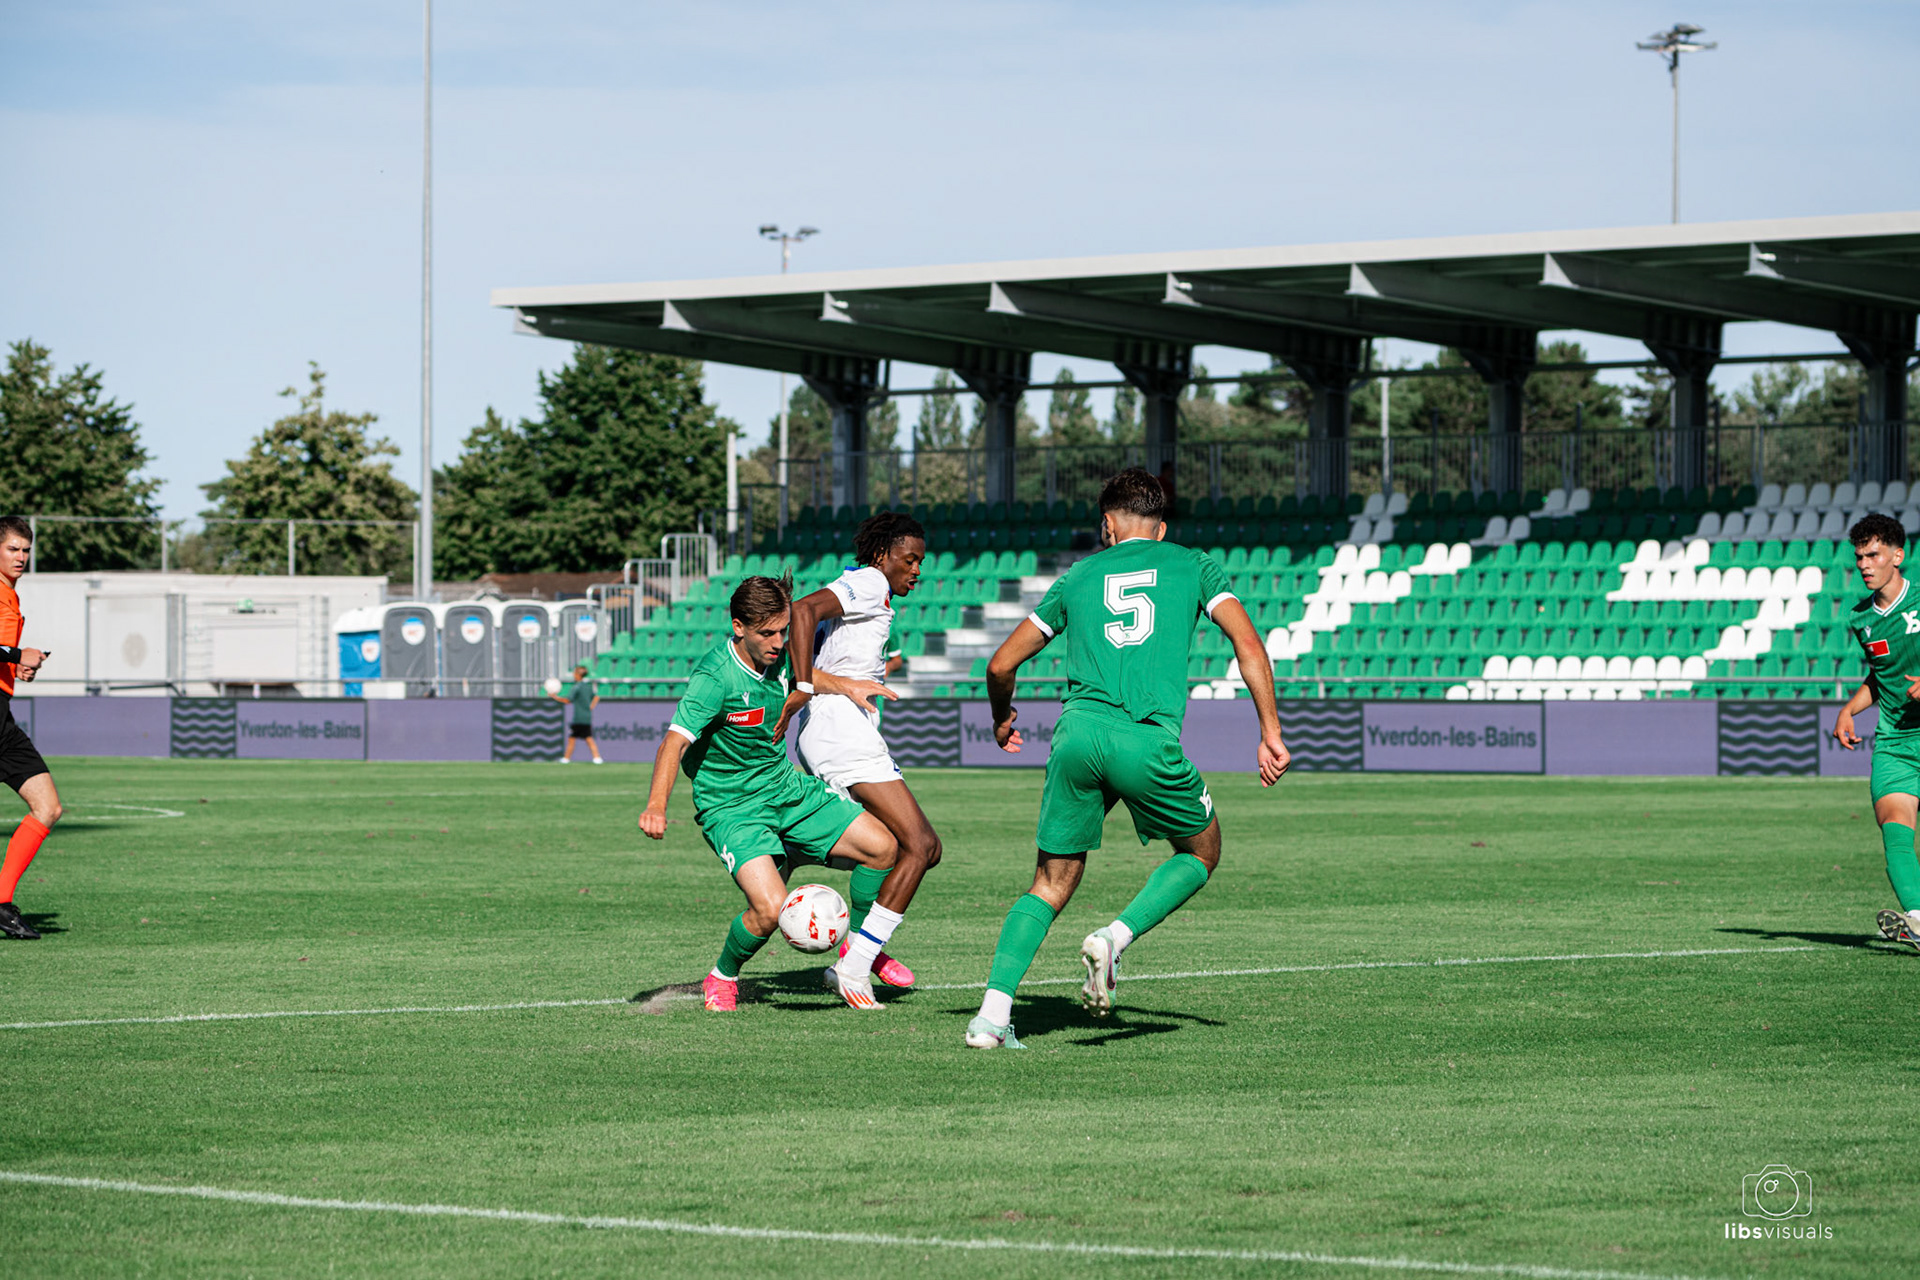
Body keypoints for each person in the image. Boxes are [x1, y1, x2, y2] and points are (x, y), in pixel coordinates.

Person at [964, 469, 1290, 1049]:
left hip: (1077, 736)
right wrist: (1269, 730)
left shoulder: (1079, 574)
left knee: (1049, 881)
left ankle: (990, 1018)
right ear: (1160, 528)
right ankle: (1114, 938)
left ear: (1108, 525)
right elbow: (1248, 644)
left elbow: (999, 665)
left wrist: (1001, 716)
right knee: (1201, 850)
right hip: (1145, 739)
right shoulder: (1194, 565)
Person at [637, 574, 903, 1011]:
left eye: (783, 630)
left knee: (883, 848)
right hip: (732, 807)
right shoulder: (715, 678)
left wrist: (847, 685)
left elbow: (801, 673)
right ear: (738, 626)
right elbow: (674, 742)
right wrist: (656, 806)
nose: (780, 642)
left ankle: (854, 949)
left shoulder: (776, 657)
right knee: (770, 909)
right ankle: (722, 975)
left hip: (786, 788)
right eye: (768, 633)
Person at [780, 511, 938, 992]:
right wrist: (806, 685)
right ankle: (856, 962)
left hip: (835, 730)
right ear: (880, 555)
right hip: (839, 730)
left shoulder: (867, 588)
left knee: (889, 849)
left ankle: (789, 854)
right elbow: (802, 611)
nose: (917, 570)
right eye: (909, 560)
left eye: (921, 562)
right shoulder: (869, 581)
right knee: (922, 845)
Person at [1831, 512, 1920, 953]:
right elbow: (1880, 675)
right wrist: (1851, 708)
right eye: (1859, 556)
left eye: (1874, 554)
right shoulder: (1861, 619)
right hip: (1896, 742)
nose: (1865, 564)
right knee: (1894, 825)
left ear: (1897, 555)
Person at [0, 516, 59, 941]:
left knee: (48, 807)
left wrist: (17, 664)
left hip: (2, 718)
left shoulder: (11, 596)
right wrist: (21, 652)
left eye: (26, 550)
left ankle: (2, 904)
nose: (21, 557)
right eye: (12, 549)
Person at [554, 664, 603, 764]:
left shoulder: (577, 687)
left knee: (573, 738)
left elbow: (568, 700)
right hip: (587, 716)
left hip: (578, 718)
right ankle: (597, 758)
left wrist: (555, 697)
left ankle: (566, 758)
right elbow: (596, 697)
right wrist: (591, 707)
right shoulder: (588, 687)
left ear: (578, 675)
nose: (573, 675)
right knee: (588, 738)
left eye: (574, 673)